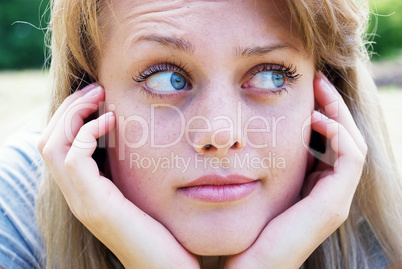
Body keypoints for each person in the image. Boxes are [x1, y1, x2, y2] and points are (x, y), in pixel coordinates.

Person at [1, 0, 401, 268]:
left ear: (325, 98)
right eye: (167, 78)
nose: (219, 133)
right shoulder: (14, 212)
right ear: (87, 102)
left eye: (269, 74)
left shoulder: (385, 243)